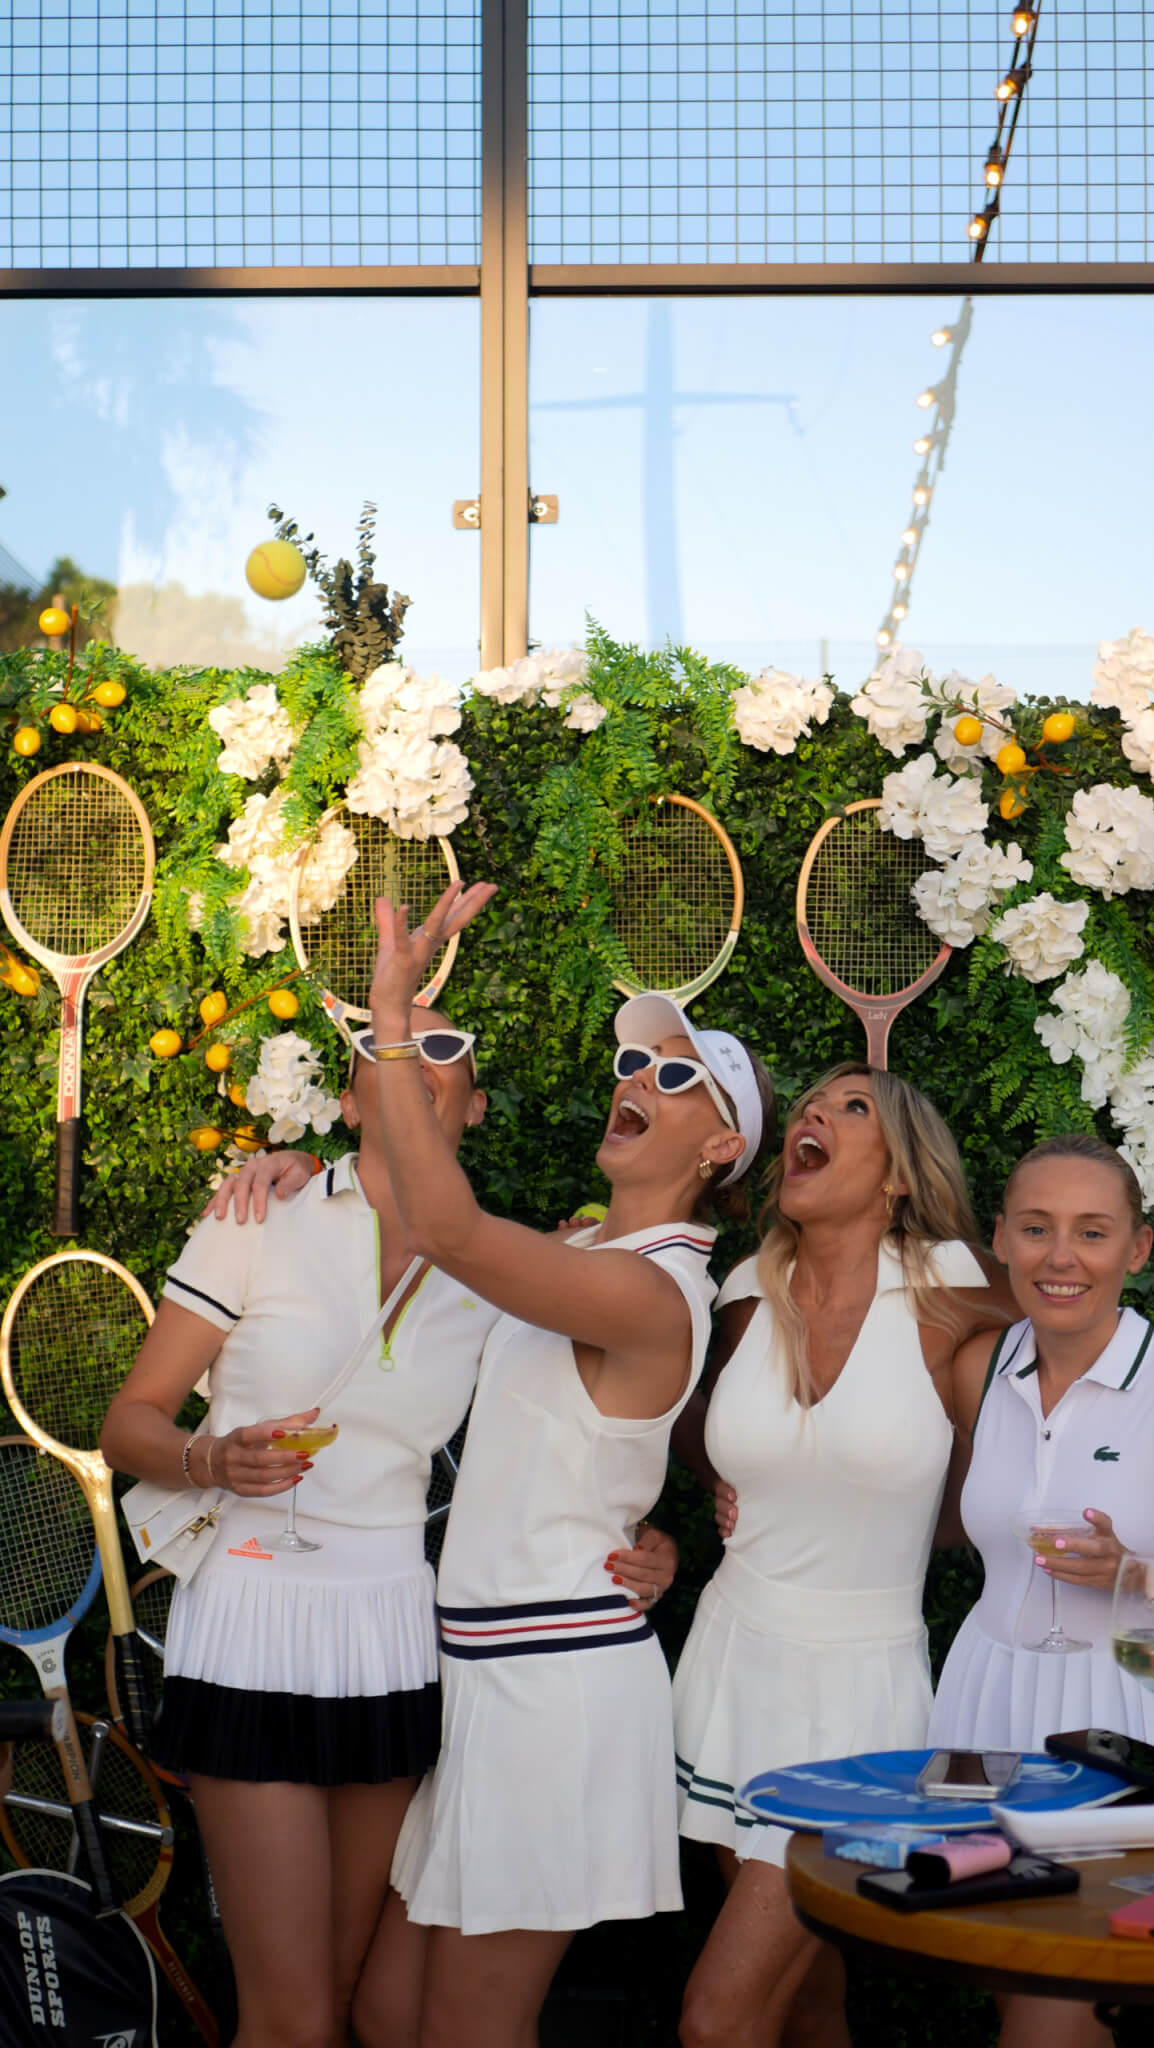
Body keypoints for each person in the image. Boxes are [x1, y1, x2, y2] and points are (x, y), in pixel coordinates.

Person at [361, 882, 776, 2048]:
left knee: (455, 2032)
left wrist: (395, 1023)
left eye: (677, 1077)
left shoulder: (647, 1287)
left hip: (553, 1687)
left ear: (722, 1145)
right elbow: (419, 1210)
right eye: (635, 1067)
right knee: (389, 2014)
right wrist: (291, 1171)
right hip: (493, 1674)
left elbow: (445, 1227)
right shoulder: (584, 1248)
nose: (636, 1081)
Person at [672, 1063, 1012, 2048]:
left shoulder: (955, 1289)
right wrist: (713, 1471)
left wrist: (939, 1514)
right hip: (731, 1667)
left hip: (859, 1703)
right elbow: (686, 1408)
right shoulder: (745, 1288)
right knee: (804, 2003)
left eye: (848, 1105)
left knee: (714, 2017)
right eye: (806, 1106)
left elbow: (1040, 1423)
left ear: (900, 1173)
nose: (810, 1113)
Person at [928, 1132, 1154, 2048]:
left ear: (1138, 1250)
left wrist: (1134, 1574)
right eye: (1036, 1229)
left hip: (1120, 1708)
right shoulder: (978, 1367)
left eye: (1092, 1233)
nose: (1061, 1258)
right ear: (1003, 1241)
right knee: (1006, 1971)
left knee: (1051, 2009)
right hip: (980, 1701)